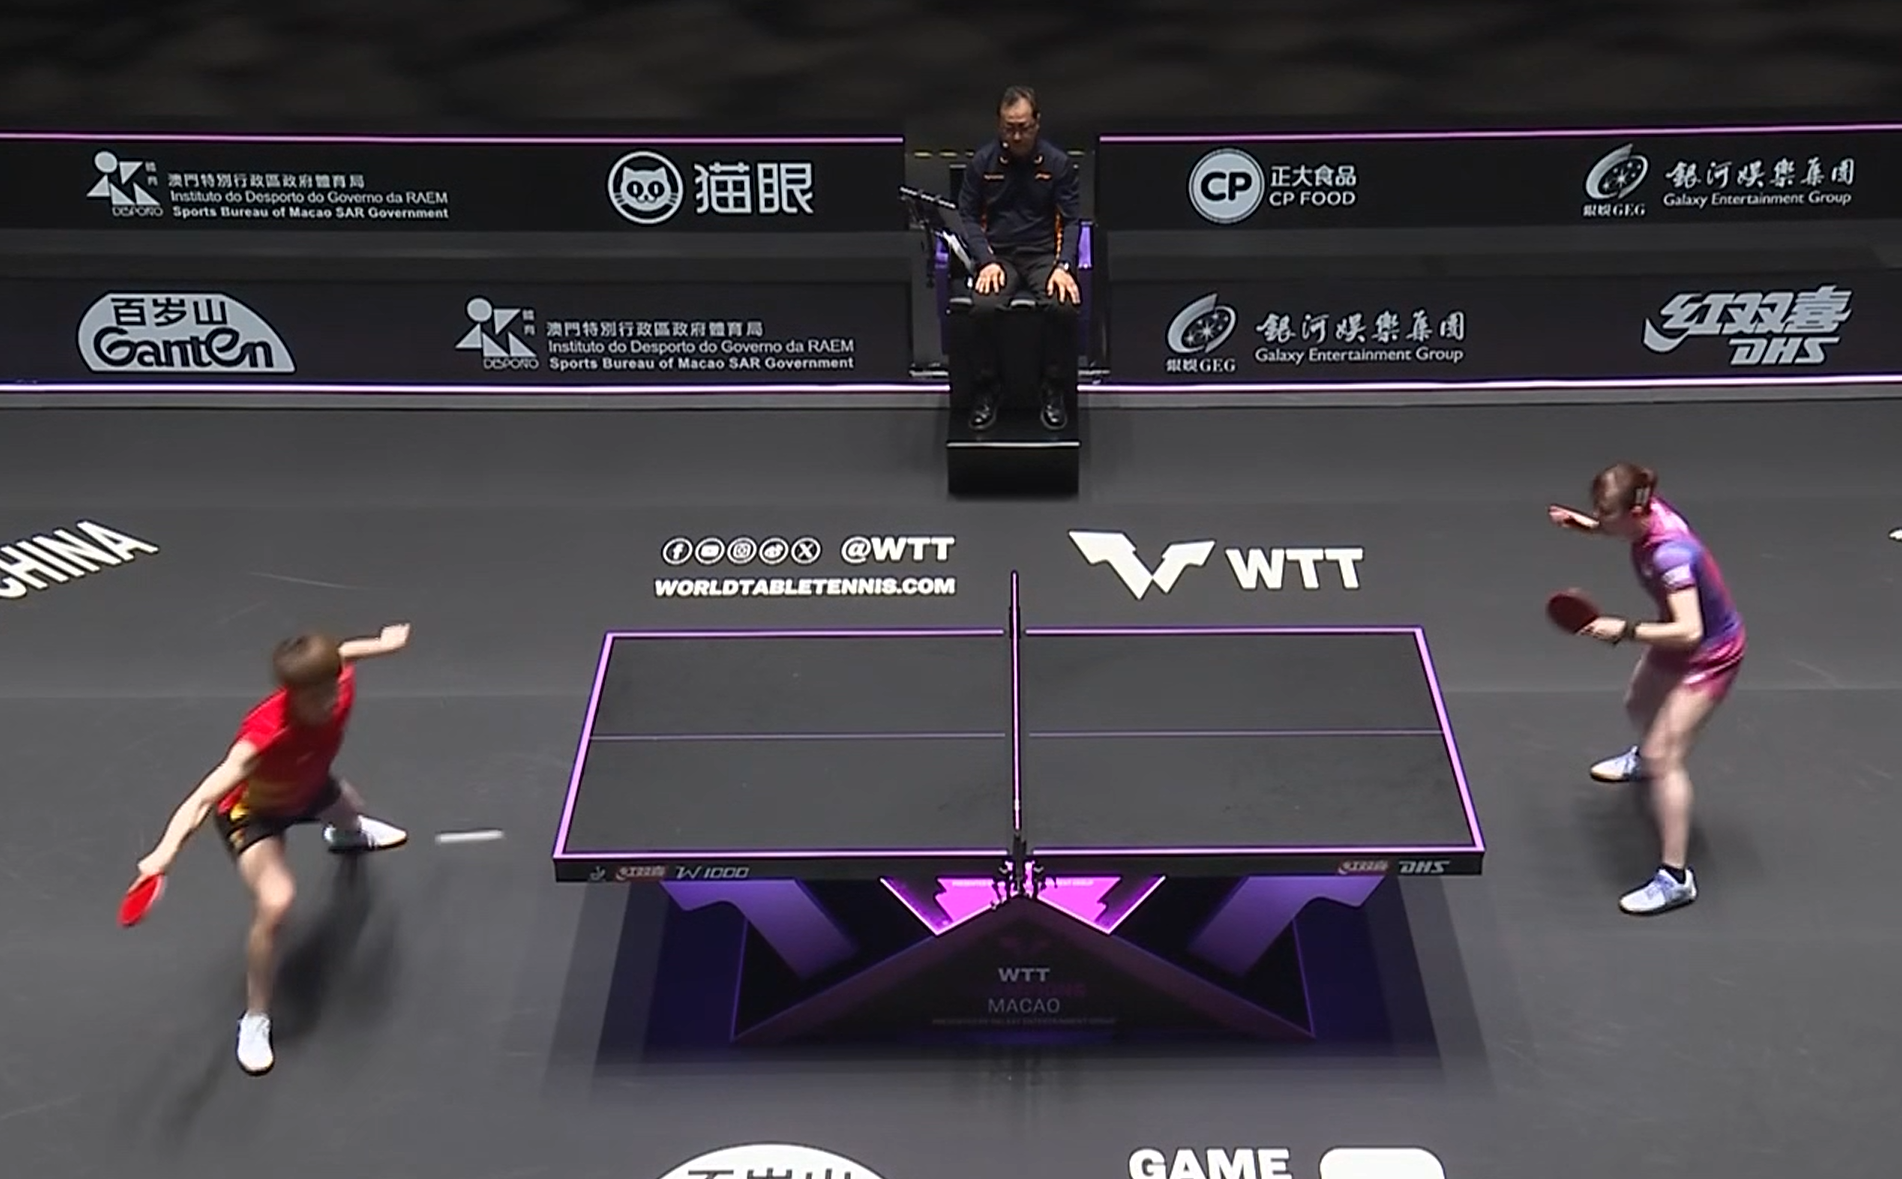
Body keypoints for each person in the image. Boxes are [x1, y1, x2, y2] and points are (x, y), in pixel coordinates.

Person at [133, 625, 412, 1074]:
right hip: (254, 812)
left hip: (310, 786)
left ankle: (344, 835)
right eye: (316, 698)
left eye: (331, 691)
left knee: (350, 809)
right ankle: (255, 1017)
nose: (330, 703)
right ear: (291, 693)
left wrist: (384, 645)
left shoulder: (337, 680)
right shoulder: (262, 737)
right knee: (276, 903)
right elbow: (202, 800)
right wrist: (164, 854)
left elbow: (344, 653)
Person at [1548, 463, 1745, 916]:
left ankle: (1675, 879)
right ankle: (1644, 762)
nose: (1602, 518)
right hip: (1674, 636)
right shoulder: (1646, 513)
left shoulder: (1670, 555)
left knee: (1664, 757)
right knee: (1638, 702)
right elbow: (1622, 527)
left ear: (1635, 513)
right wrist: (1590, 526)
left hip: (1710, 653)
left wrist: (1624, 630)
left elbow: (1690, 631)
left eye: (1606, 513)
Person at [955, 84, 1082, 432]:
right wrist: (985, 260)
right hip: (1000, 257)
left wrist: (1064, 266)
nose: (1016, 136)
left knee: (1063, 306)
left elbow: (1072, 220)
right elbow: (967, 216)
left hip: (1043, 255)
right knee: (982, 308)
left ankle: (1053, 386)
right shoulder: (982, 163)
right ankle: (987, 386)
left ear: (1037, 123)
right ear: (1000, 124)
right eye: (1009, 128)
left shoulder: (1057, 164)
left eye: (1023, 127)